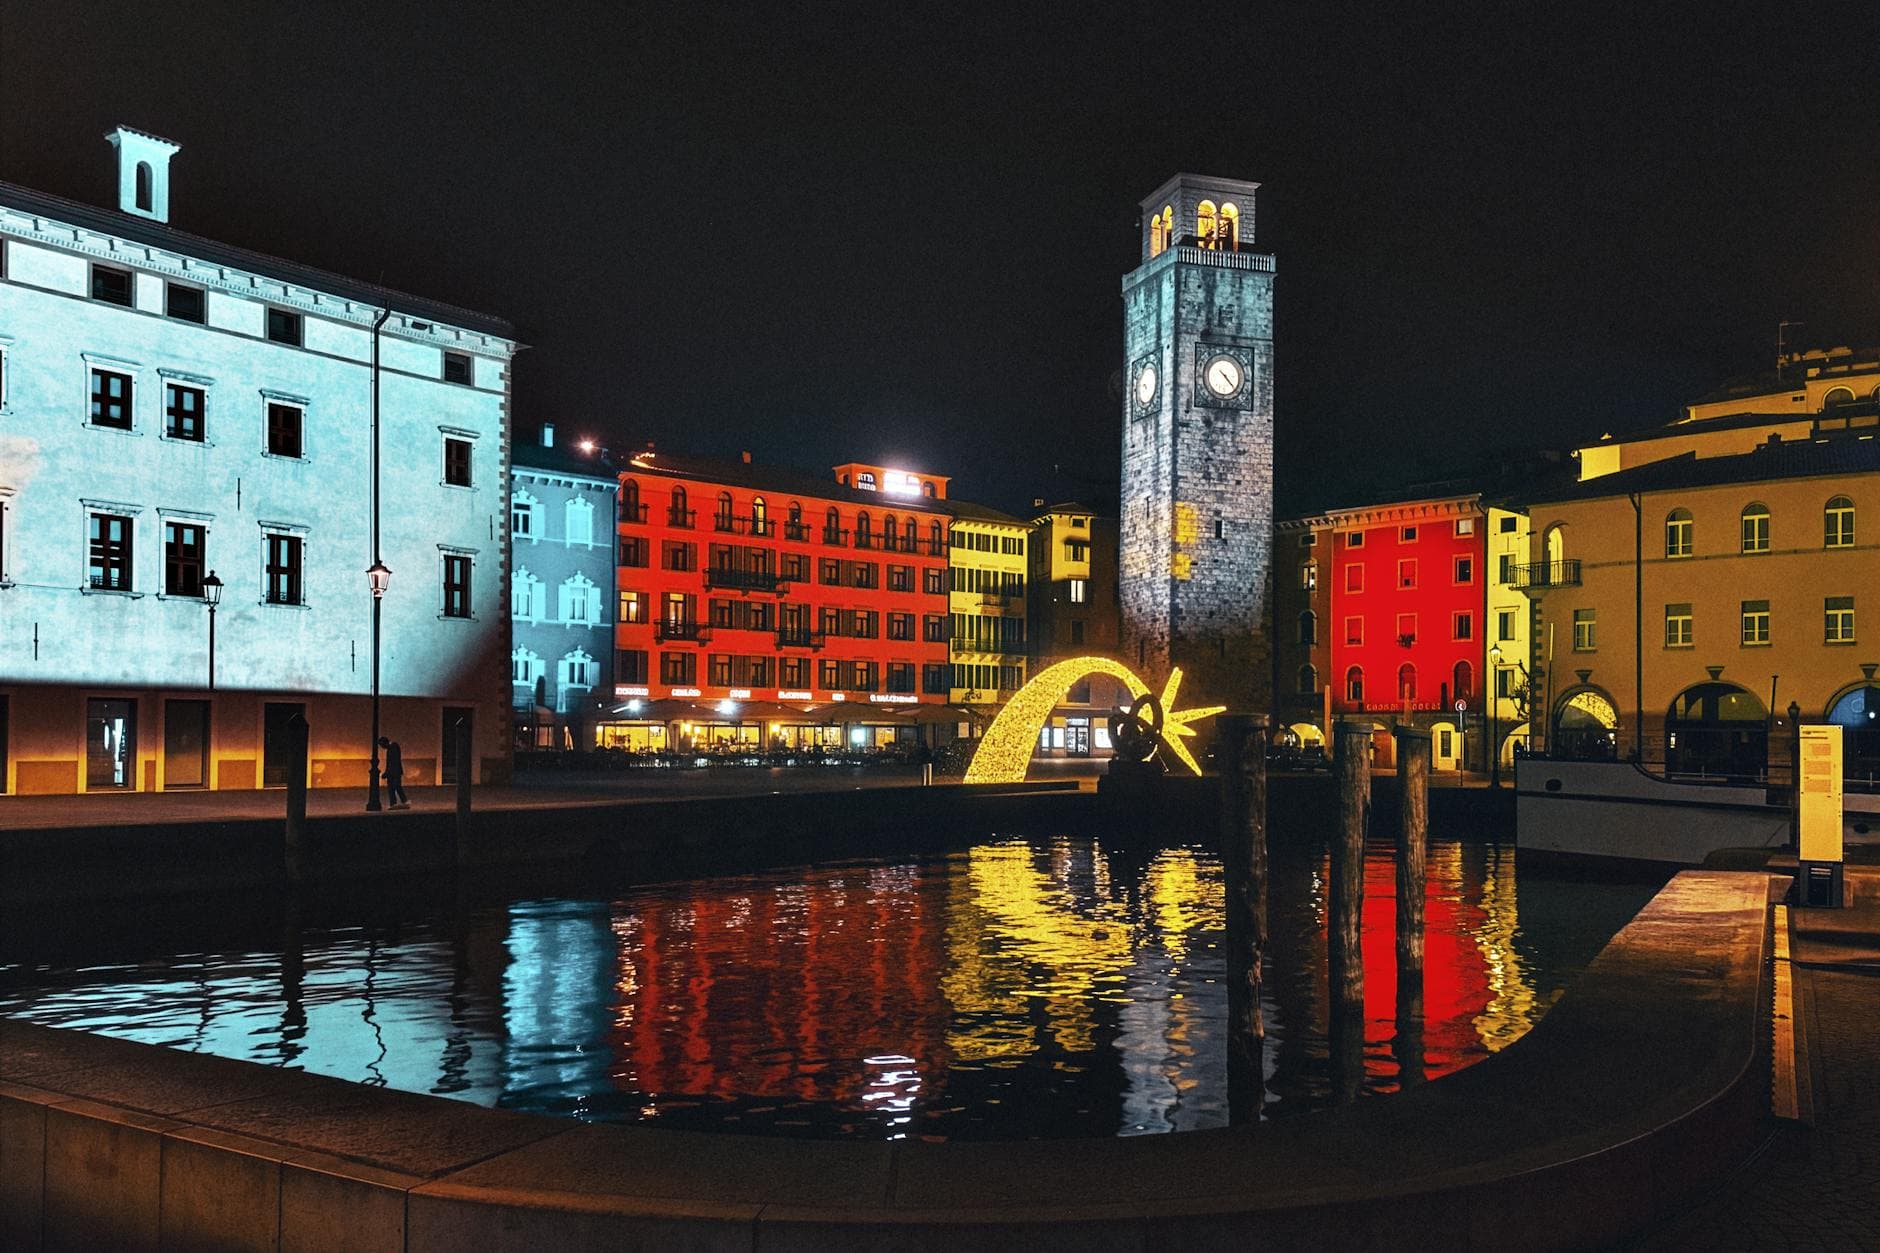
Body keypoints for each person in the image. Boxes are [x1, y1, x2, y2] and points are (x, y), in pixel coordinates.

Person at [378, 736, 408, 809]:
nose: (382, 747)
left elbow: (392, 762)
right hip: (394, 772)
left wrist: (387, 773)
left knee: (393, 787)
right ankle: (402, 802)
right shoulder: (393, 747)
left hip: (394, 772)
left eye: (382, 745)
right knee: (396, 787)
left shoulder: (393, 748)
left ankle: (395, 803)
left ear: (385, 743)